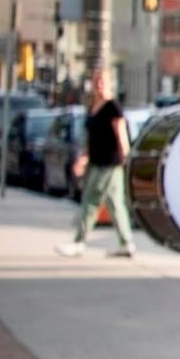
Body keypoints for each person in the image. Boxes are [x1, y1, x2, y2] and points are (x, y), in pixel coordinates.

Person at [56, 69, 135, 258]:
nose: (99, 85)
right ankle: (126, 243)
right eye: (96, 81)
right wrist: (83, 160)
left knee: (90, 200)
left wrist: (126, 158)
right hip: (96, 160)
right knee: (115, 204)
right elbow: (91, 139)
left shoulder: (113, 107)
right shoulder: (92, 107)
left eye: (102, 81)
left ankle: (79, 242)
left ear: (109, 83)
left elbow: (121, 135)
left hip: (110, 163)